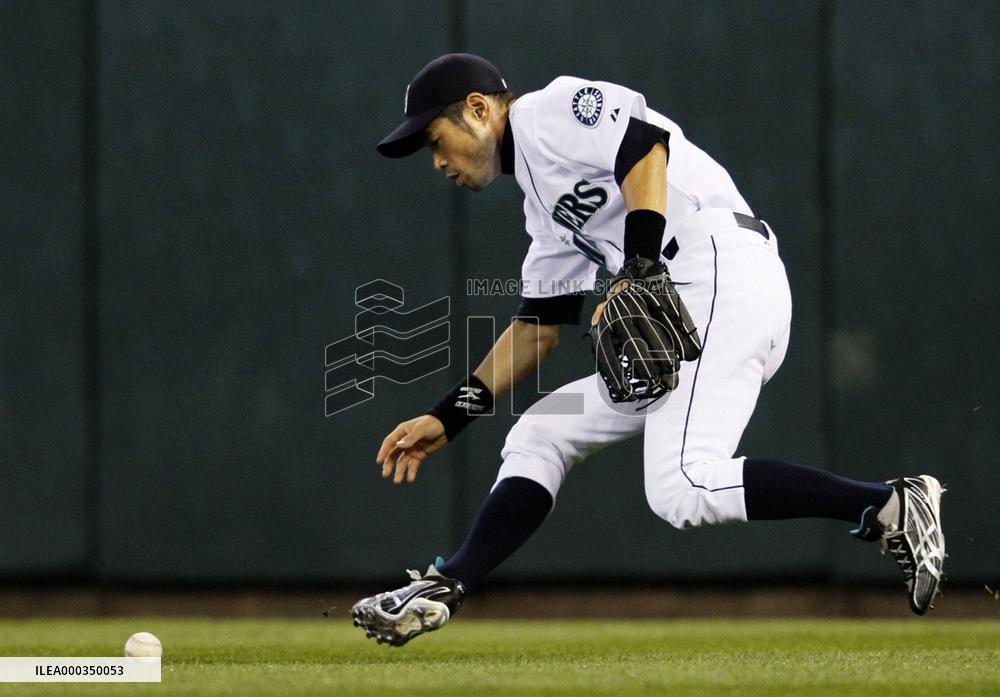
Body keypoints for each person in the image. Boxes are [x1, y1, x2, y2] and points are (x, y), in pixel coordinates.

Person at [349, 54, 945, 647]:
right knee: (541, 430)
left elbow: (644, 147)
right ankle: (448, 585)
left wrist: (636, 269)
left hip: (715, 273)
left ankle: (892, 505)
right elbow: (539, 327)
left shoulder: (544, 114)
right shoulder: (544, 208)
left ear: (478, 110)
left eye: (436, 139)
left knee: (683, 484)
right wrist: (448, 415)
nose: (437, 161)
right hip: (703, 293)